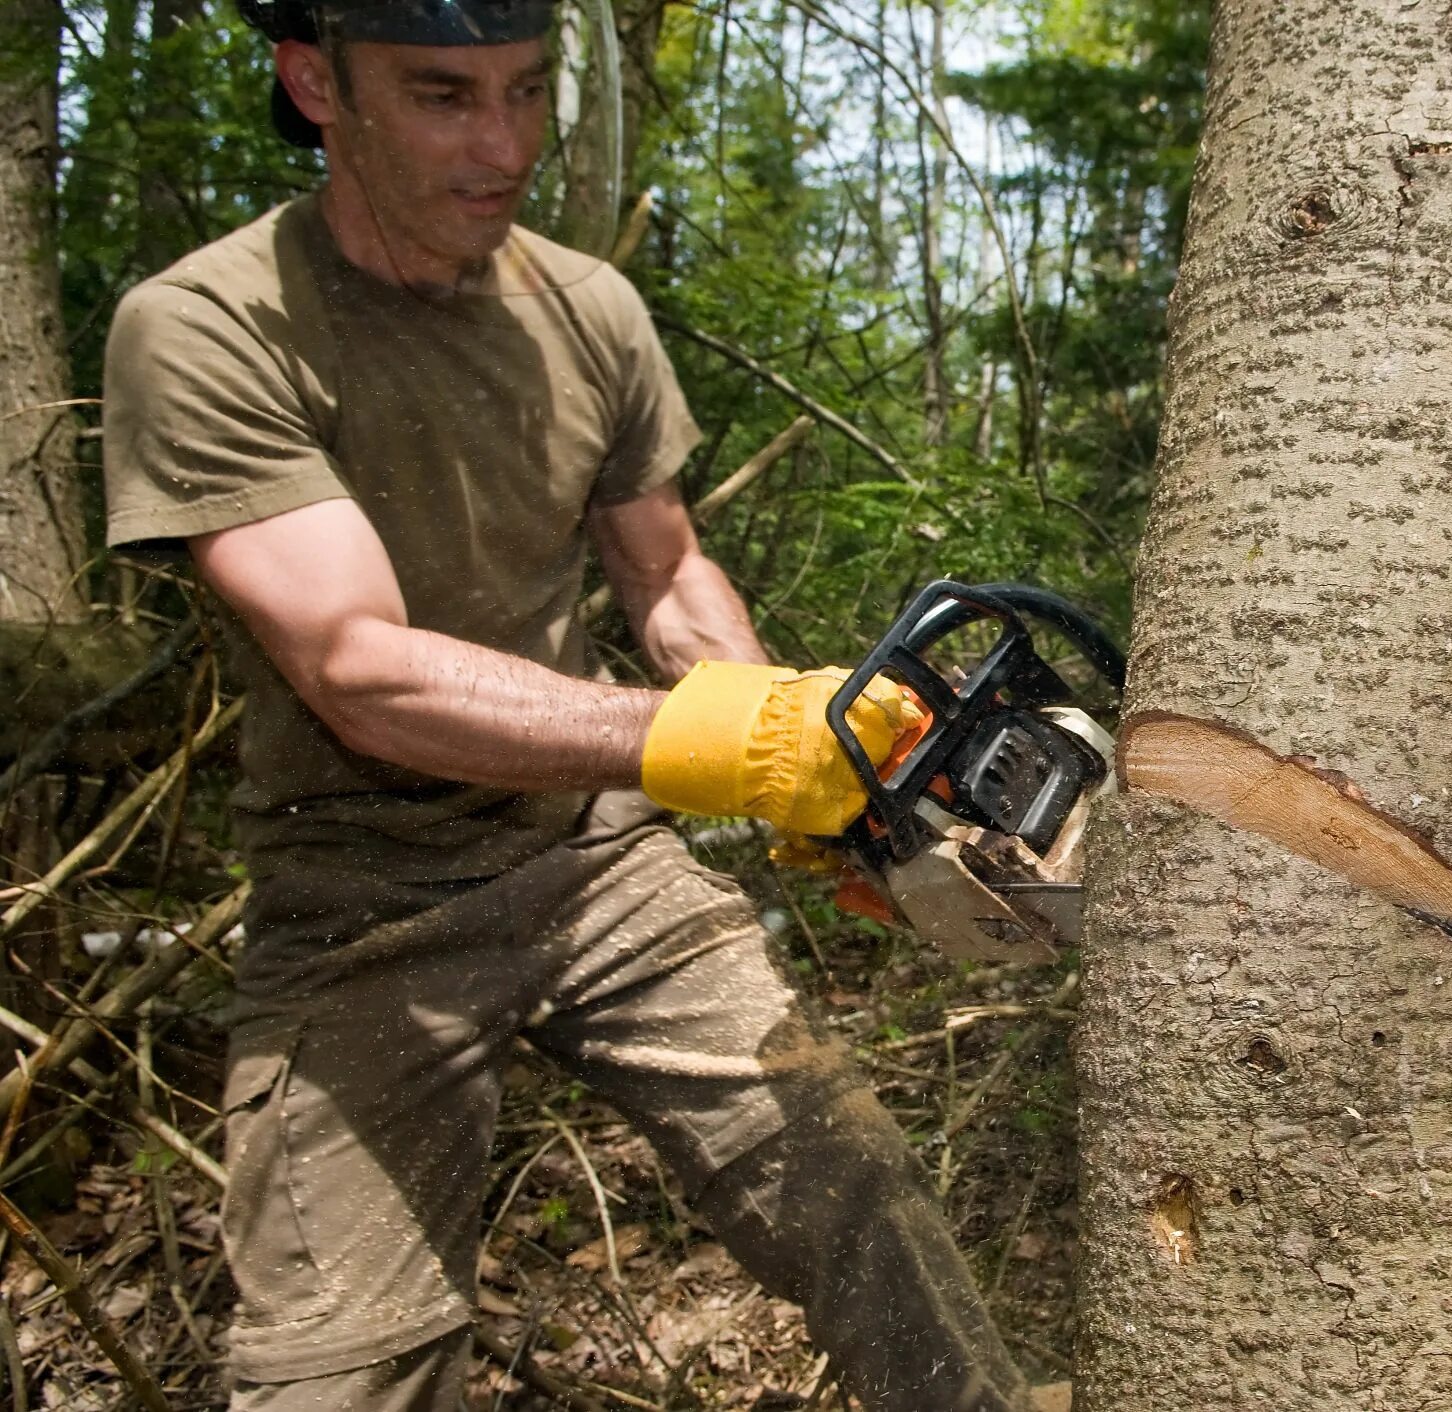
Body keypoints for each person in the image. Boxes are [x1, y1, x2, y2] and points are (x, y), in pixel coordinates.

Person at [99, 1, 1052, 1406]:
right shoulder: (208, 326)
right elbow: (357, 668)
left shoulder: (584, 307)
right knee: (345, 1366)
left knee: (858, 1198)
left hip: (594, 859)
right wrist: (724, 748)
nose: (503, 146)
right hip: (359, 891)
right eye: (441, 97)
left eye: (527, 92)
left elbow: (662, 568)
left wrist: (795, 725)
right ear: (316, 85)